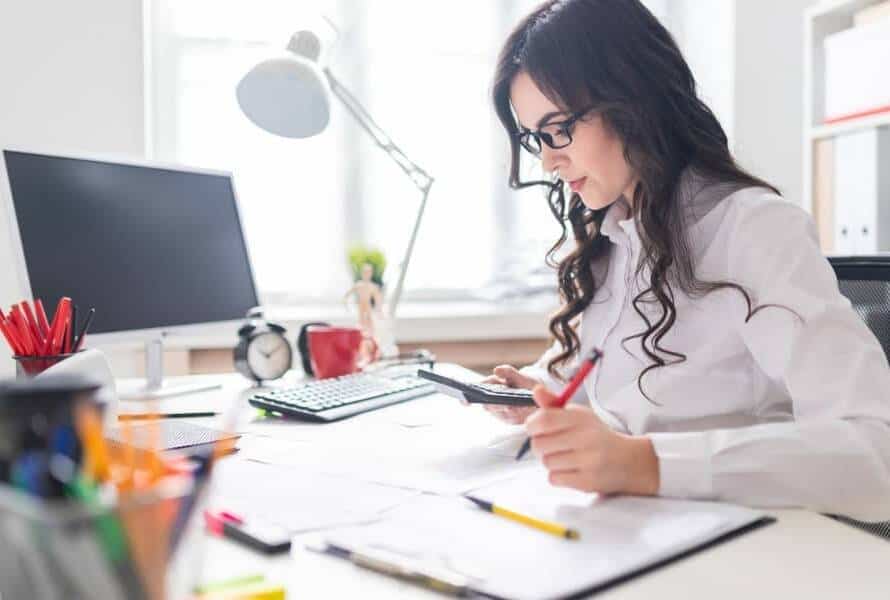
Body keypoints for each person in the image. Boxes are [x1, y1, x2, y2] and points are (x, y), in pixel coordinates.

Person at [484, 0, 890, 522]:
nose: (547, 159)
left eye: (558, 128)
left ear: (631, 99)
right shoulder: (613, 237)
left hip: (752, 541)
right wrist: (544, 393)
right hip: (640, 530)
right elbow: (621, 393)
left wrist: (644, 464)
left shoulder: (754, 228)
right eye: (535, 137)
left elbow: (875, 452)